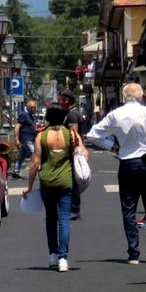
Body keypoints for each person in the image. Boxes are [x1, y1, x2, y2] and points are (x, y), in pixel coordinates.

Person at [86, 82, 146, 265]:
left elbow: (93, 135)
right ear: (141, 96)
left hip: (127, 163)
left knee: (128, 209)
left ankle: (133, 253)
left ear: (124, 95)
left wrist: (112, 146)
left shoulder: (115, 114)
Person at [23, 103, 88, 272]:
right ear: (64, 118)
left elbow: (35, 163)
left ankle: (52, 255)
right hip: (66, 182)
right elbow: (84, 155)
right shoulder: (72, 135)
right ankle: (63, 259)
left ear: (47, 118)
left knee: (51, 219)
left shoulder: (41, 136)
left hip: (47, 182)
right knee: (65, 219)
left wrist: (29, 186)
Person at [59, 89, 83, 220]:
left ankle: (75, 209)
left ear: (67, 100)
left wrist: (72, 151)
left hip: (73, 152)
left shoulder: (72, 115)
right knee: (72, 181)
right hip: (72, 152)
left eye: (61, 99)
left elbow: (74, 135)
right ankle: (72, 208)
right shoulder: (70, 113)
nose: (60, 101)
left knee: (74, 181)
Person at [12, 100, 38, 179]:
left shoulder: (30, 115)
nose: (33, 109)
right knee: (34, 153)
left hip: (30, 138)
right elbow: (17, 127)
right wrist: (16, 139)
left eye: (34, 107)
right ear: (27, 107)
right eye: (31, 107)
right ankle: (40, 170)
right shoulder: (23, 114)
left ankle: (15, 172)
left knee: (22, 156)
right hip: (26, 139)